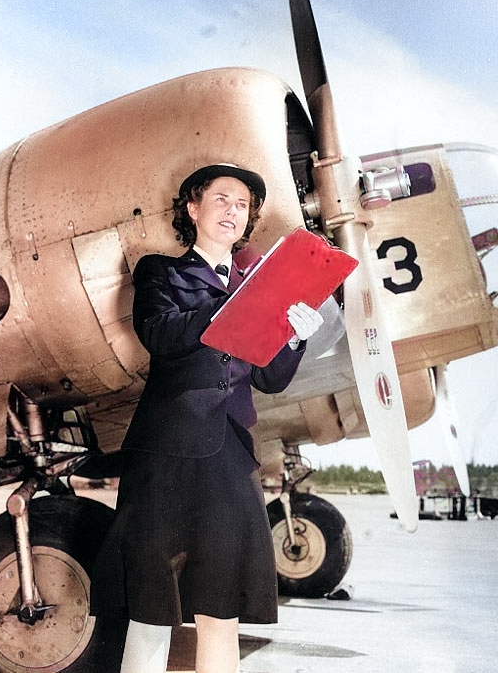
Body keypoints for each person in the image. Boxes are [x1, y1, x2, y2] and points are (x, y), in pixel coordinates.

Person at [90, 164, 324, 673]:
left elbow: (271, 379)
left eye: (242, 205)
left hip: (231, 458)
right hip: (165, 458)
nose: (232, 211)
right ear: (193, 209)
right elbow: (159, 334)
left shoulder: (260, 282)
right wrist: (231, 306)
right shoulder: (160, 271)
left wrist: (295, 334)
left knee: (223, 611)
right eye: (221, 199)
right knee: (152, 609)